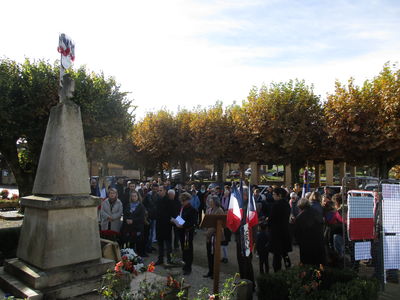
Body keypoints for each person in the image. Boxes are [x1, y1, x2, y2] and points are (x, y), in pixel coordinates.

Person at [234, 187, 255, 289]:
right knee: (241, 261)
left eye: (240, 194)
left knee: (246, 262)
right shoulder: (240, 206)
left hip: (246, 236)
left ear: (245, 195)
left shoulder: (249, 206)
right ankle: (244, 281)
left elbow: (249, 223)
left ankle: (249, 284)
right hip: (240, 236)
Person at [294, 197, 326, 265]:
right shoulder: (316, 212)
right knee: (318, 263)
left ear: (300, 206)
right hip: (318, 240)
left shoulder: (300, 217)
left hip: (306, 244)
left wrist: (298, 241)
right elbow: (322, 223)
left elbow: (297, 233)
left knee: (307, 264)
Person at [268, 187, 292, 272]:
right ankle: (288, 268)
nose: (273, 196)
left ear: (279, 195)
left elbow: (271, 219)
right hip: (285, 231)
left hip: (277, 233)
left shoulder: (276, 205)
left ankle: (277, 272)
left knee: (277, 254)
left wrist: (268, 222)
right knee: (285, 253)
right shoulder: (286, 204)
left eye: (274, 194)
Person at [176, 192, 197, 275]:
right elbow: (180, 217)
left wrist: (182, 224)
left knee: (188, 250)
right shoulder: (182, 208)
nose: (182, 202)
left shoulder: (192, 210)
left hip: (187, 233)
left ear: (188, 200)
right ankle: (184, 265)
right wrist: (176, 220)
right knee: (184, 249)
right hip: (182, 232)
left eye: (184, 200)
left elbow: (192, 222)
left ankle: (188, 267)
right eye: (181, 200)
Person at [203, 195, 224, 279]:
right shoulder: (208, 210)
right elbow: (206, 221)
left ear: (215, 202)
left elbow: (218, 224)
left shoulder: (219, 210)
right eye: (209, 201)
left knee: (215, 255)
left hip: (215, 236)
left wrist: (209, 232)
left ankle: (215, 273)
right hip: (208, 237)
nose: (210, 202)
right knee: (209, 254)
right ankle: (210, 271)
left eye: (211, 201)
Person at [120, 191, 146, 256]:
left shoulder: (141, 206)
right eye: (132, 196)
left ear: (138, 197)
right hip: (129, 228)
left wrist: (133, 221)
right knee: (130, 244)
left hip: (137, 228)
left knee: (138, 244)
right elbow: (125, 214)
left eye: (135, 196)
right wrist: (126, 220)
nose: (133, 197)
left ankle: (138, 260)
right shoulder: (128, 205)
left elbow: (141, 218)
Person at [154, 185, 175, 265]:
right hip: (159, 225)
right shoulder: (158, 200)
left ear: (165, 191)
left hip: (166, 226)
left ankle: (170, 259)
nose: (159, 192)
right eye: (158, 190)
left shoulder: (169, 201)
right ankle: (160, 259)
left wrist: (182, 222)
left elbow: (174, 213)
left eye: (161, 190)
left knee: (168, 245)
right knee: (160, 244)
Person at [143, 183, 158, 253]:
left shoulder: (158, 195)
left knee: (152, 232)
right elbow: (144, 205)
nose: (155, 190)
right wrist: (146, 212)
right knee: (148, 232)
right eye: (153, 189)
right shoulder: (148, 195)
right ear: (151, 188)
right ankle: (147, 247)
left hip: (154, 216)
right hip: (148, 216)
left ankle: (150, 245)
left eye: (156, 189)